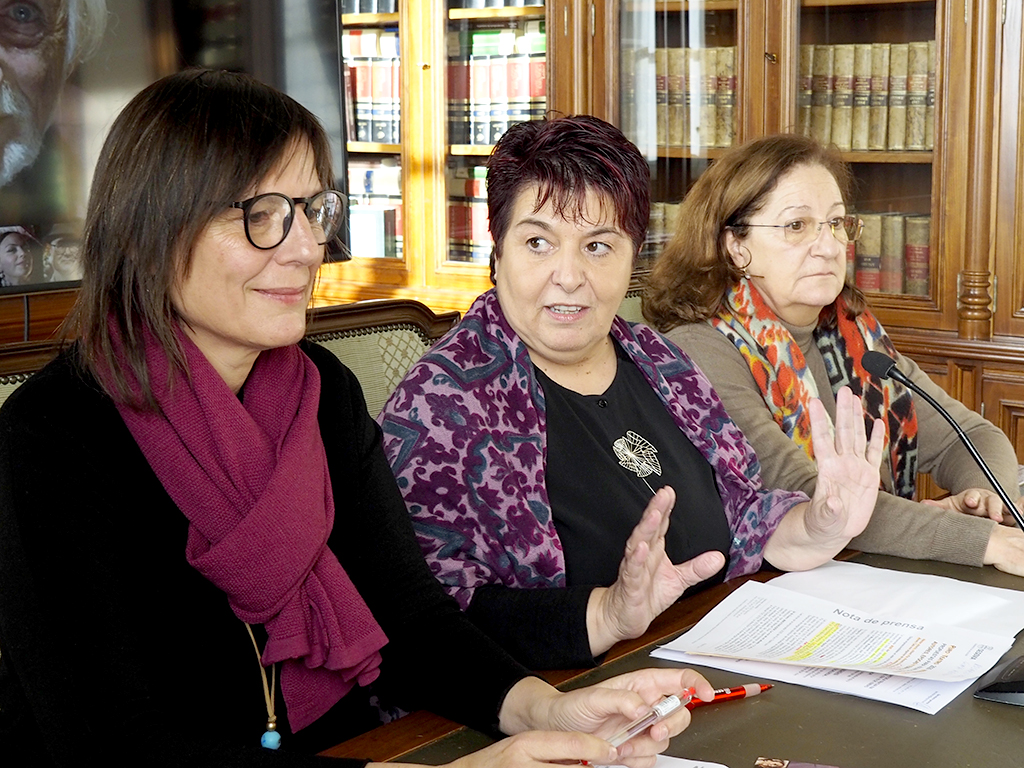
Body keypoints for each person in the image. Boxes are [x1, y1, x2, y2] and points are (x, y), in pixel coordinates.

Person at [0, 70, 715, 767]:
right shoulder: (51, 439)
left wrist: (547, 708)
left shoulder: (322, 392)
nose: (309, 248)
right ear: (152, 230)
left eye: (313, 210)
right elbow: (112, 743)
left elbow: (412, 617)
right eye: (261, 217)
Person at [377, 115, 886, 671]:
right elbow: (424, 624)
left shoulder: (659, 360)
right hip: (560, 704)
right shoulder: (441, 402)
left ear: (632, 259)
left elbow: (744, 518)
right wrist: (608, 614)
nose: (569, 275)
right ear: (497, 253)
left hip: (716, 659)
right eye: (539, 242)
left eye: (598, 246)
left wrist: (818, 526)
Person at [642, 132, 1024, 578]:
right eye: (797, 226)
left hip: (851, 576)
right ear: (736, 246)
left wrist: (986, 504)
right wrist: (979, 540)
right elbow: (816, 498)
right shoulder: (698, 346)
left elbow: (972, 436)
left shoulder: (852, 336)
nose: (828, 245)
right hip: (749, 593)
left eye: (837, 223)